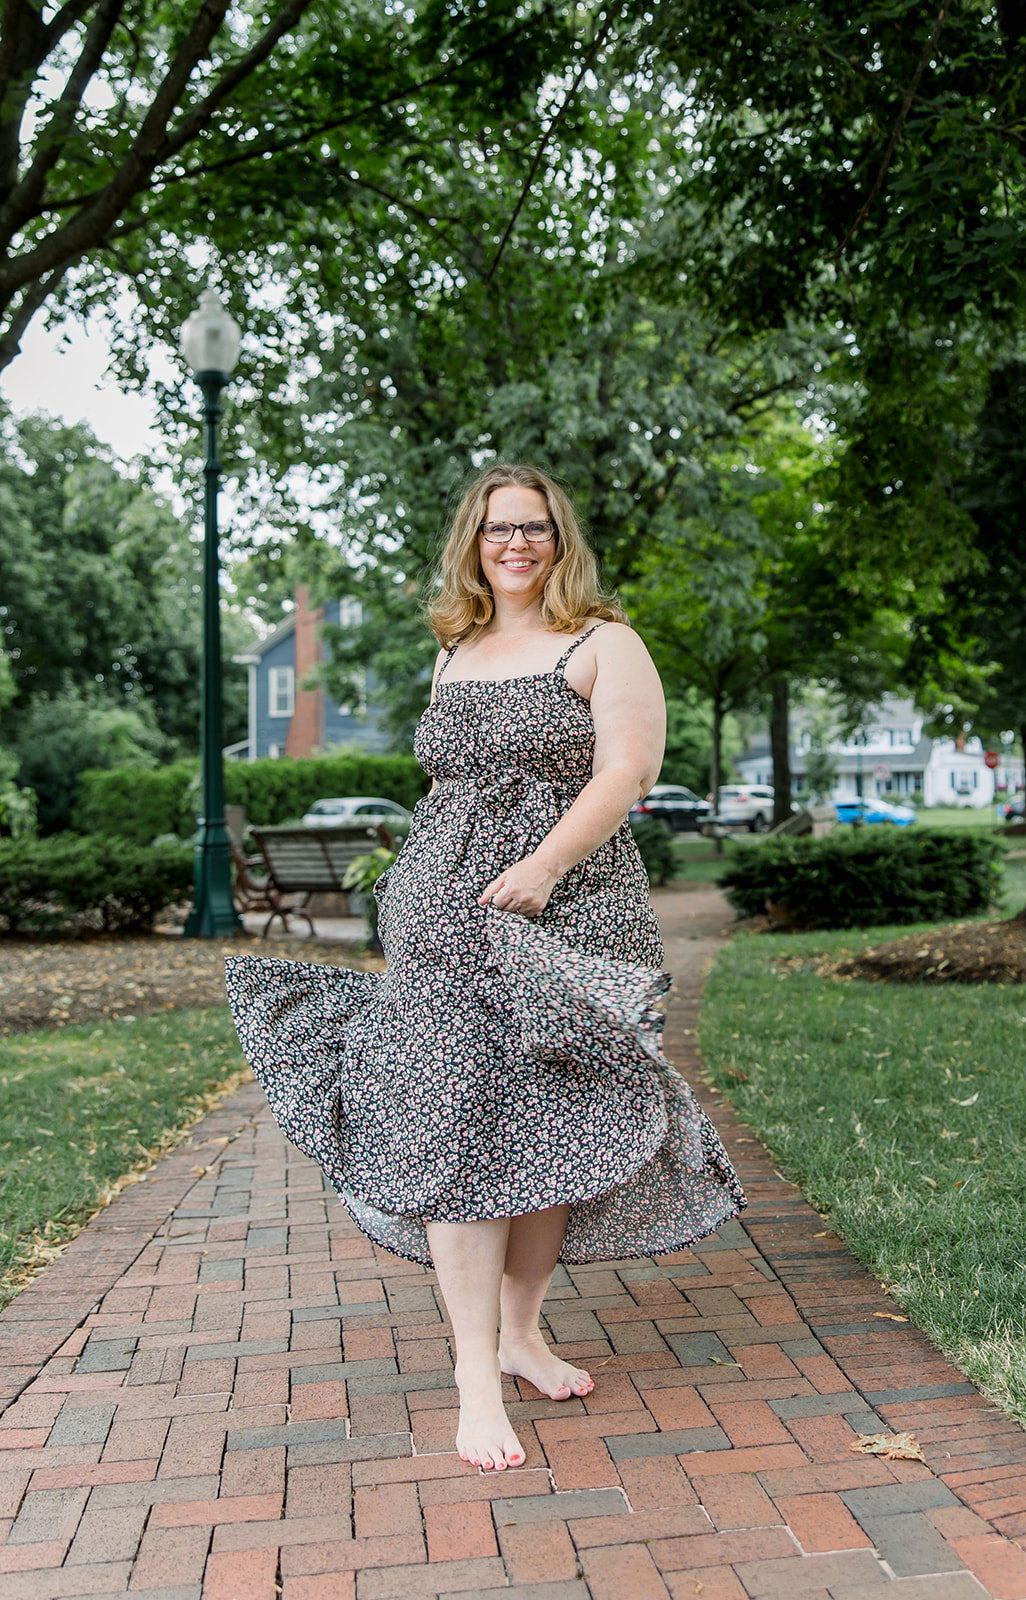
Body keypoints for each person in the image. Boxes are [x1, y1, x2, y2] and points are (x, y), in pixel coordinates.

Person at [226, 463, 745, 1474]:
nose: (517, 543)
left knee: (550, 1120)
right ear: (474, 540)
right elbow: (446, 788)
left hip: (573, 907)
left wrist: (545, 866)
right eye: (499, 527)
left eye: (536, 527)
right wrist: (434, 885)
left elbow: (624, 772)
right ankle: (473, 1372)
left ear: (561, 541)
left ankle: (521, 1335)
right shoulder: (453, 648)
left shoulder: (606, 642)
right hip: (444, 914)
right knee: (455, 1121)